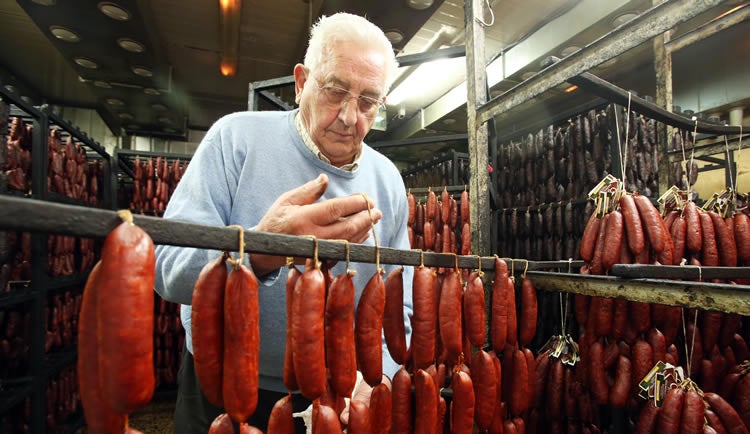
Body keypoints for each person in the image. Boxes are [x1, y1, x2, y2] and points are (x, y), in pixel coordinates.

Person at [154, 12, 414, 434]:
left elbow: (399, 298)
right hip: (221, 384)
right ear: (300, 83)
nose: (350, 116)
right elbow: (167, 269)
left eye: (368, 101)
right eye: (335, 91)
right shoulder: (233, 139)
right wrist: (258, 249)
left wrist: (379, 373)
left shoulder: (387, 179)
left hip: (339, 393)